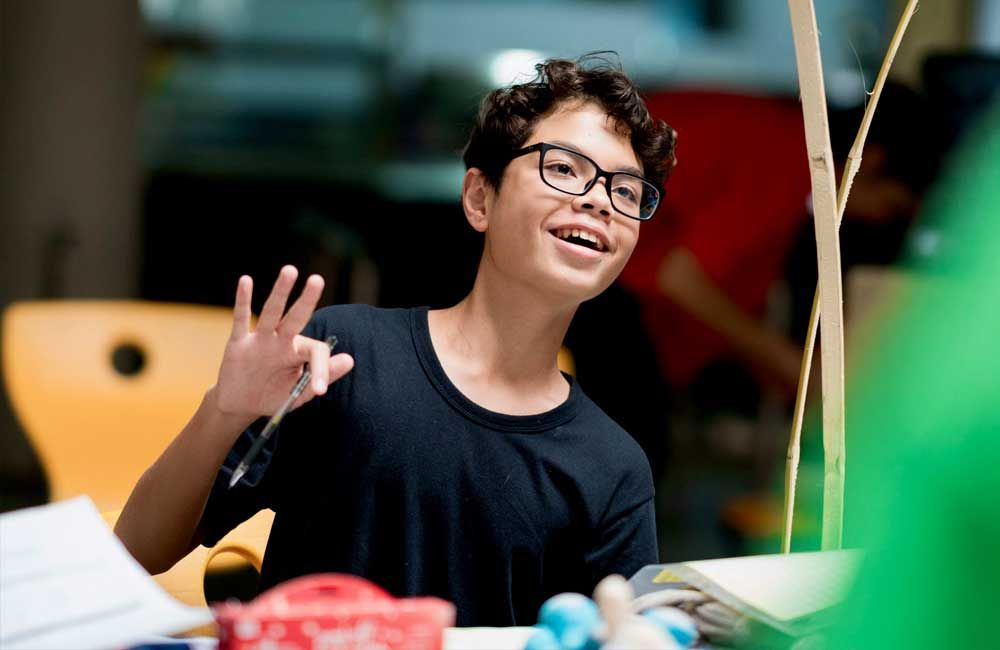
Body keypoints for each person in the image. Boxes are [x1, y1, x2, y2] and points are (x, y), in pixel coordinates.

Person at [114, 54, 677, 626]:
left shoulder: (613, 467)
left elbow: (623, 637)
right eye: (564, 168)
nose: (598, 199)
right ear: (480, 198)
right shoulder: (341, 356)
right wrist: (223, 412)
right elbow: (139, 549)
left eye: (627, 191)